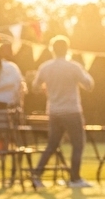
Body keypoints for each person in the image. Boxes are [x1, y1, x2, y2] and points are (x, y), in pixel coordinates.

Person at [30, 36, 96, 190]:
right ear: (67, 49)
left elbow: (35, 87)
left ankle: (37, 175)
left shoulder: (45, 67)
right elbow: (89, 85)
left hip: (54, 111)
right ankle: (75, 178)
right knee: (78, 144)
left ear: (52, 50)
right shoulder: (73, 67)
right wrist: (84, 71)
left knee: (52, 145)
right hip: (72, 111)